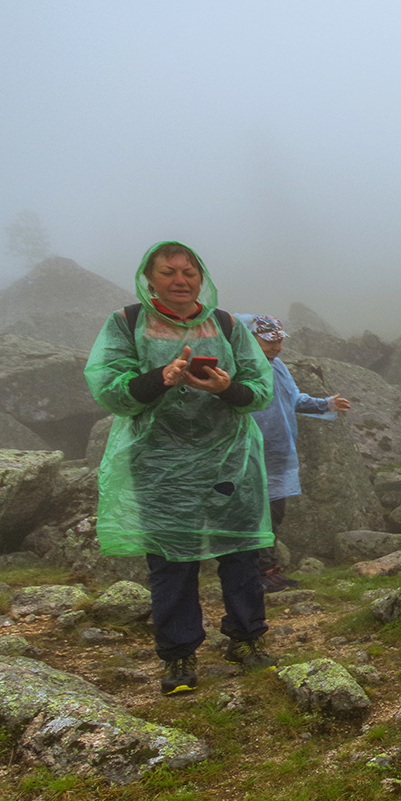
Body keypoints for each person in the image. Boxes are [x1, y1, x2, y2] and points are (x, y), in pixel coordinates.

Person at [85, 241, 277, 696]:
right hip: (158, 463)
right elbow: (108, 387)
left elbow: (260, 388)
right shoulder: (126, 323)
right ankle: (179, 655)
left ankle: (247, 639)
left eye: (189, 272)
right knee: (171, 560)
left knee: (240, 553)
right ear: (149, 278)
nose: (180, 280)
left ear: (200, 276)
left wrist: (227, 387)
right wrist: (159, 379)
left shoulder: (226, 325)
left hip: (228, 458)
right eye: (168, 272)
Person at [238, 314, 352, 593]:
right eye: (269, 341)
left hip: (278, 454)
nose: (276, 347)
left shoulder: (278, 367)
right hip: (249, 456)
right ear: (250, 339)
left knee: (274, 513)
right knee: (254, 516)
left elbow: (293, 399)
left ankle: (267, 570)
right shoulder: (240, 368)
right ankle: (253, 575)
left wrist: (326, 404)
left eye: (278, 340)